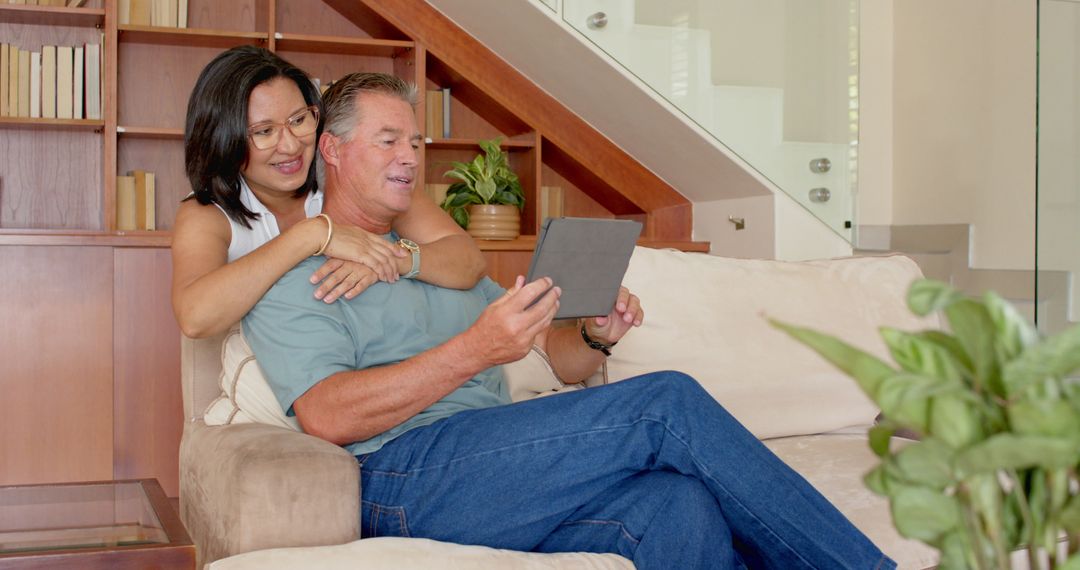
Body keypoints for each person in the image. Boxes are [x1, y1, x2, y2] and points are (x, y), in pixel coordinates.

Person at [242, 72, 896, 570]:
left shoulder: (441, 264)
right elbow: (324, 415)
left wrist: (592, 334)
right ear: (331, 148)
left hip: (497, 461)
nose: (410, 157)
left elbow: (558, 360)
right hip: (402, 476)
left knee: (678, 507)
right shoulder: (296, 273)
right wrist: (474, 350)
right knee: (664, 403)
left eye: (415, 141)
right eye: (388, 141)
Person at [171, 46, 485, 339]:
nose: (292, 146)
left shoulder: (355, 178)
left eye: (299, 120)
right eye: (264, 132)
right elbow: (195, 317)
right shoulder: (206, 214)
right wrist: (313, 235)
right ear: (224, 138)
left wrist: (390, 259)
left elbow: (468, 260)